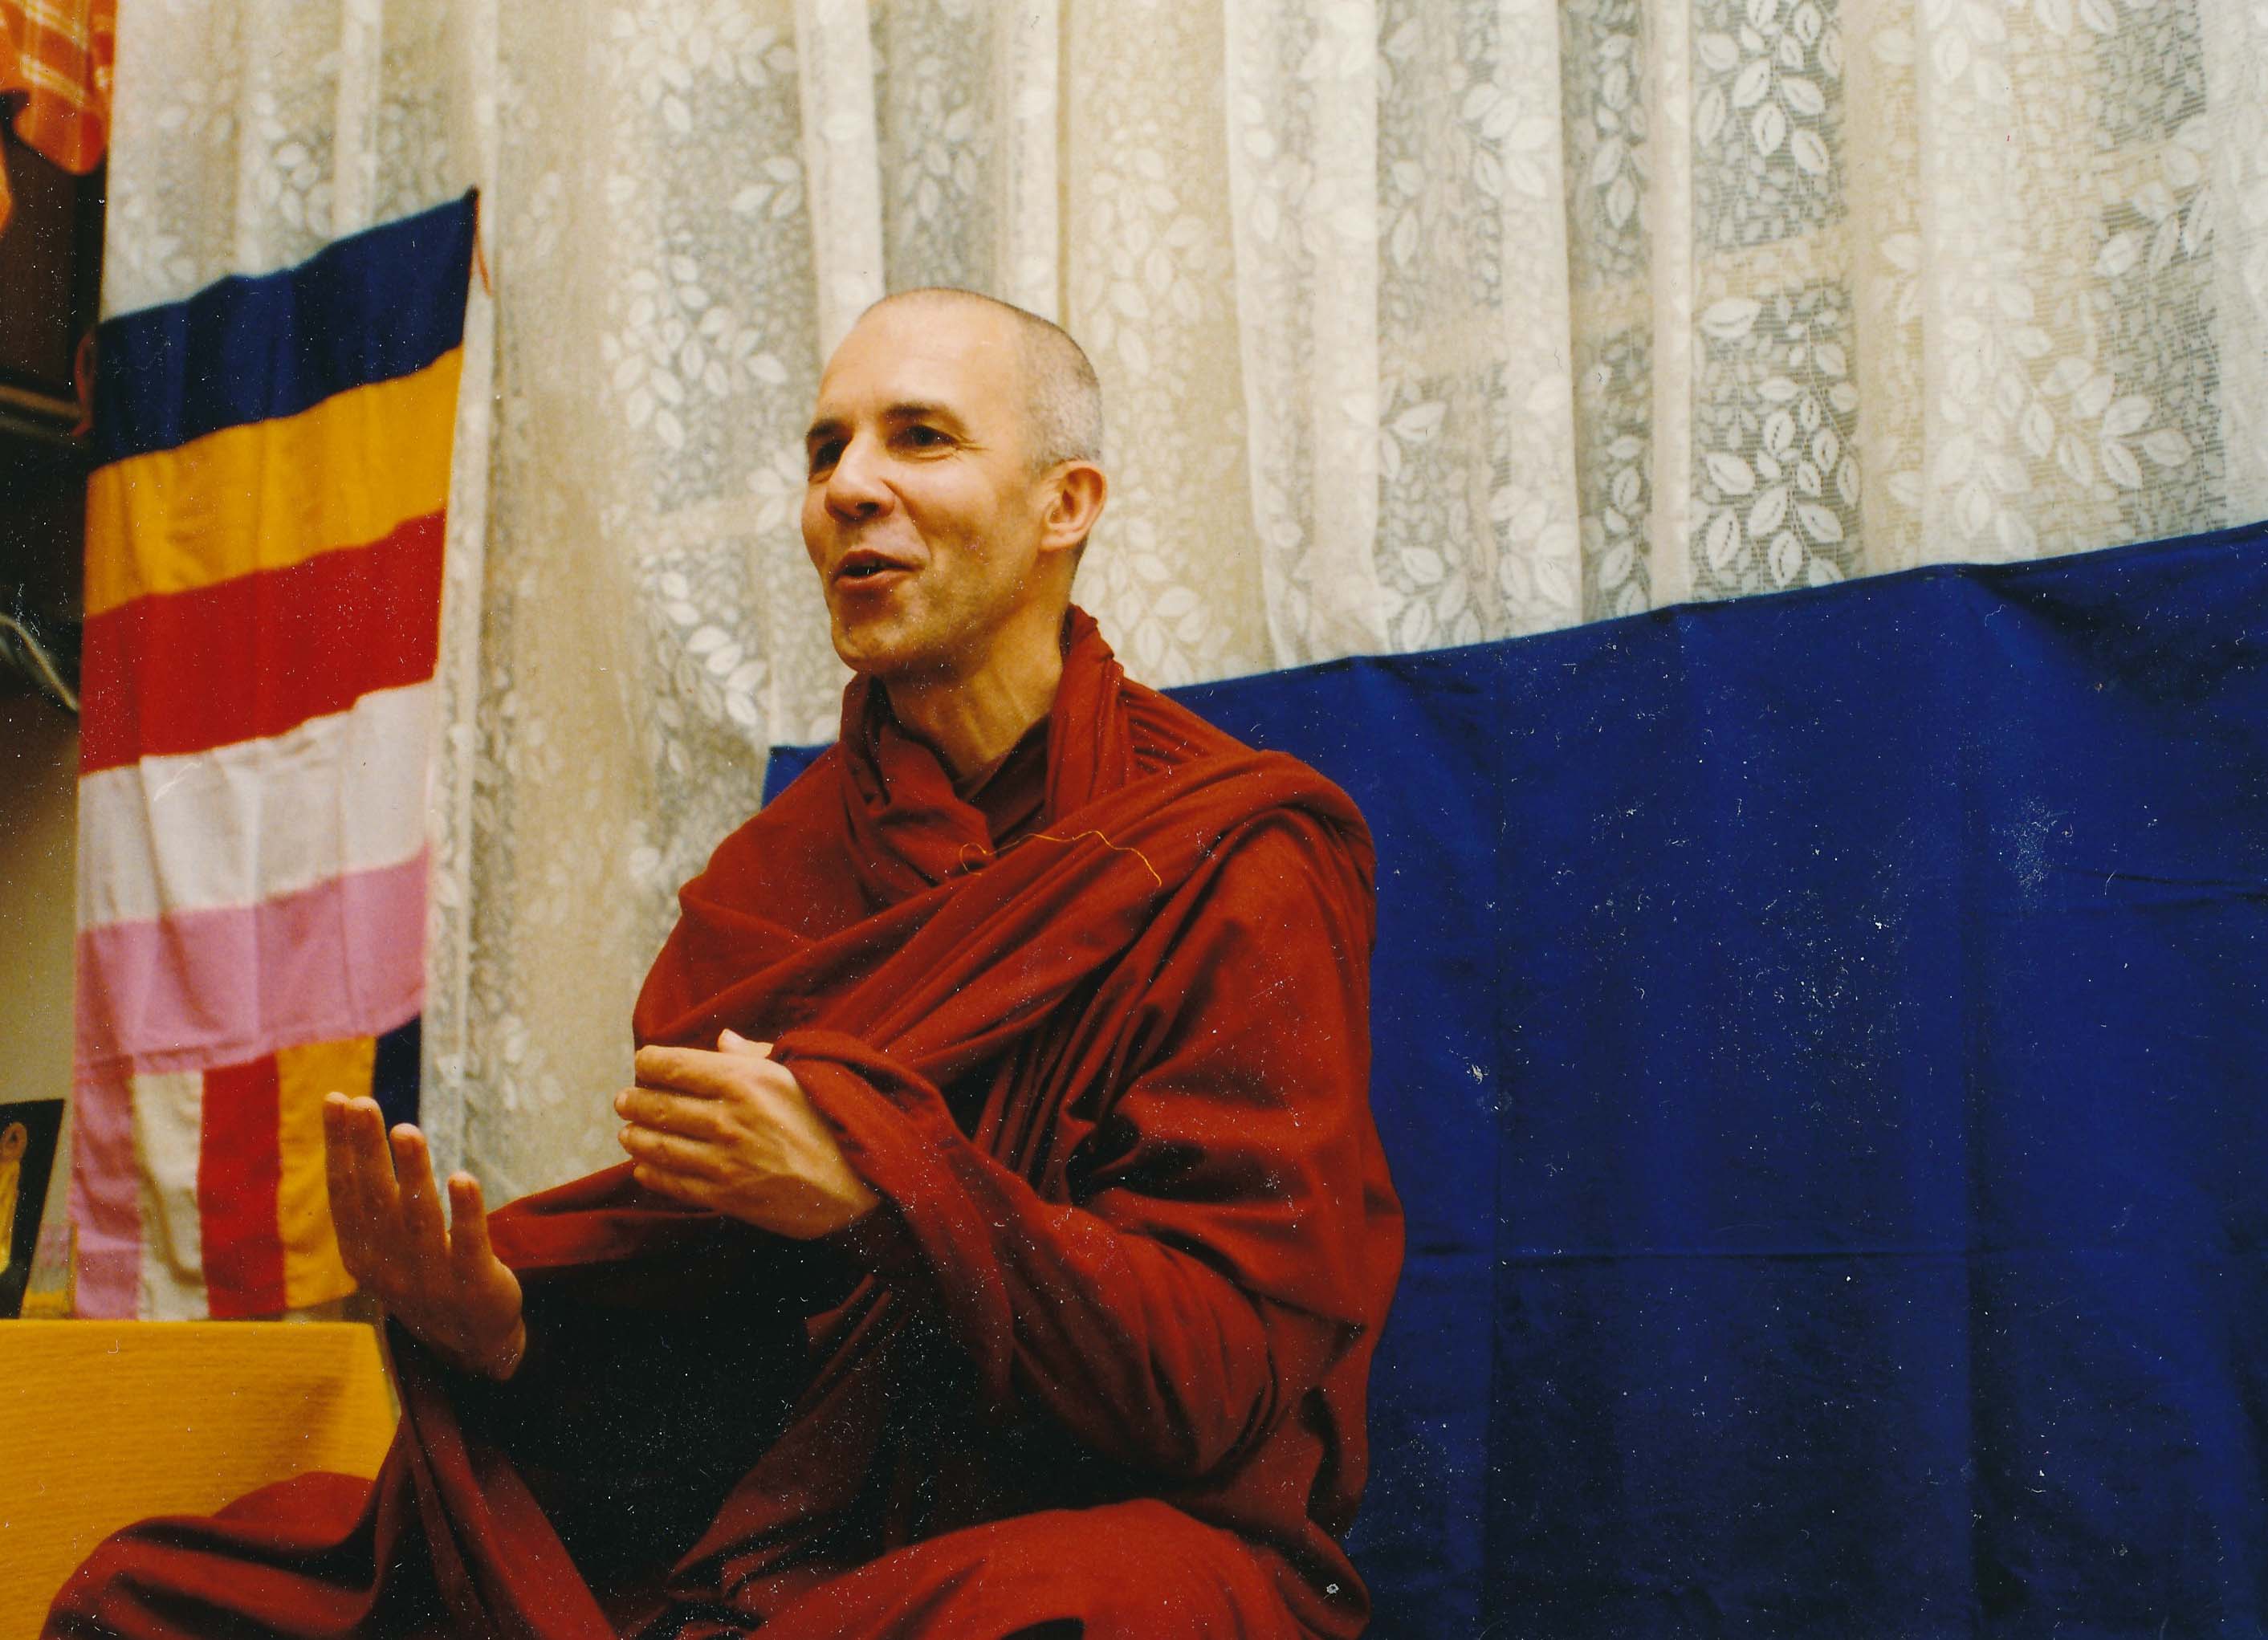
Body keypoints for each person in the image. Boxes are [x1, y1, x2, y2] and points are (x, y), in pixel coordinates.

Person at [49, 289, 1403, 1639]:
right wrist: (510, 1336)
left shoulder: (1226, 857)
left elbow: (1215, 1380)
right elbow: (710, 1376)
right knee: (154, 1598)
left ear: (1066, 505)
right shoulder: (769, 882)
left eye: (919, 437)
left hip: (1111, 1525)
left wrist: (879, 1194)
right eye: (824, 451)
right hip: (802, 1523)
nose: (848, 487)